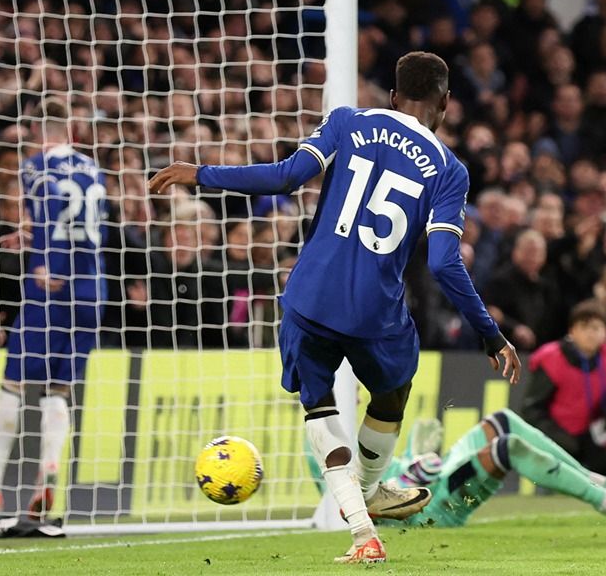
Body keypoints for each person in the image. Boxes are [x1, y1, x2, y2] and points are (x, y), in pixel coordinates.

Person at [148, 52, 521, 565]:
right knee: (394, 392)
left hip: (308, 298)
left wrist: (202, 174)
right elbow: (442, 263)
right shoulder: (448, 170)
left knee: (319, 408)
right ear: (445, 104)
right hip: (374, 314)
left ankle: (363, 532)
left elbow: (284, 177)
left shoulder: (348, 122)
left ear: (392, 96)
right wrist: (489, 332)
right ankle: (369, 491)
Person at [0, 98, 108, 521]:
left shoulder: (37, 167)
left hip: (51, 288)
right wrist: (30, 234)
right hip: (92, 288)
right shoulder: (94, 168)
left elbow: (55, 204)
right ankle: (47, 477)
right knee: (59, 389)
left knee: (13, 383)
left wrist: (45, 259)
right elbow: (87, 225)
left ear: (40, 134)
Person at [310, 411, 606, 528]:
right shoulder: (328, 454)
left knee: (502, 421)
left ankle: (602, 481)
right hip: (431, 508)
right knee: (506, 449)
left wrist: (419, 457)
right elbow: (342, 485)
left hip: (436, 475)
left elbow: (396, 467)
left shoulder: (371, 443)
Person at [522, 300, 606, 476]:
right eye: (584, 327)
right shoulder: (552, 358)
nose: (590, 334)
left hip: (593, 432)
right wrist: (563, 440)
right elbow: (531, 409)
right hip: (561, 436)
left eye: (595, 328)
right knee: (597, 461)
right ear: (572, 331)